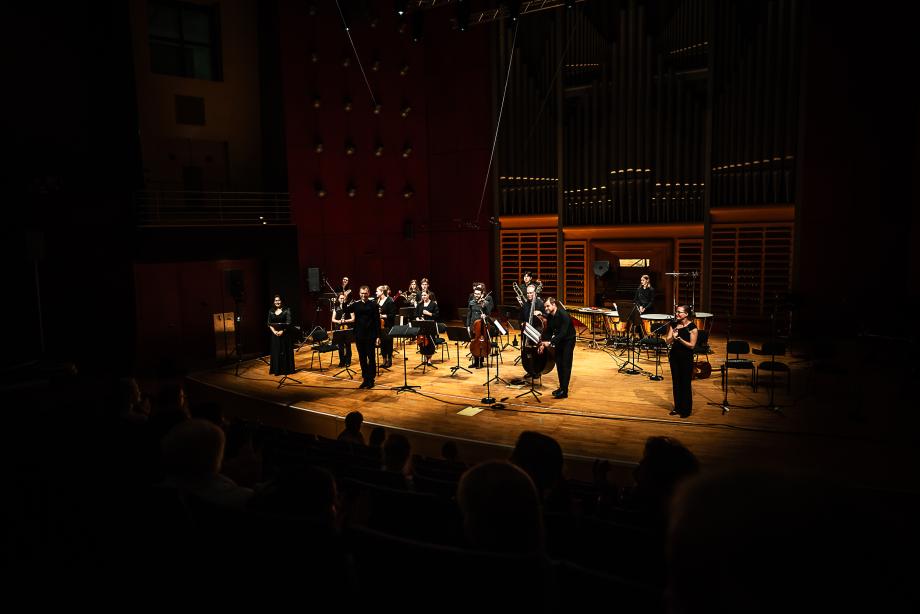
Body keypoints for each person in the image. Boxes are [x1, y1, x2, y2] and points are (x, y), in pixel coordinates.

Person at [537, 297, 575, 398]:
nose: (546, 309)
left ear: (554, 305)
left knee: (566, 364)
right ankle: (561, 387)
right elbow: (548, 331)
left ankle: (564, 391)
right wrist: (543, 343)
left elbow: (563, 333)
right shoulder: (550, 316)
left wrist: (549, 343)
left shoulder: (564, 315)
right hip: (559, 340)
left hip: (568, 340)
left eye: (548, 306)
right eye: (545, 307)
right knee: (559, 362)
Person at [665, 305, 698, 417]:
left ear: (686, 314)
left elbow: (692, 346)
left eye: (679, 312)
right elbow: (668, 341)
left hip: (686, 357)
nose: (677, 314)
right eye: (676, 312)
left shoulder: (692, 328)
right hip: (674, 356)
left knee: (685, 383)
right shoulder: (673, 325)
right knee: (676, 383)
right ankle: (677, 408)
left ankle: (686, 410)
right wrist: (673, 337)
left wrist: (679, 338)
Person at [351, 285, 379, 389]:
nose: (363, 295)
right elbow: (345, 309)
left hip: (370, 335)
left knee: (371, 358)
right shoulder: (356, 305)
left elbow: (377, 321)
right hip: (359, 335)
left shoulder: (373, 305)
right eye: (362, 293)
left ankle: (371, 379)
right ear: (359, 294)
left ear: (368, 293)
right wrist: (344, 299)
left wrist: (378, 336)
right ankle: (365, 379)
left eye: (365, 293)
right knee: (362, 358)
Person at [466, 284, 494, 368]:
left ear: (482, 294)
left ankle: (480, 362)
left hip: (481, 326)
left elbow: (489, 314)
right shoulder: (471, 302)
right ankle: (475, 362)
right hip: (472, 326)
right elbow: (469, 314)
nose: (476, 295)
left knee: (481, 343)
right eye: (475, 294)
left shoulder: (485, 303)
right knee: (474, 343)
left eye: (478, 294)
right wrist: (467, 326)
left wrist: (485, 315)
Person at [267, 294, 295, 375]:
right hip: (275, 334)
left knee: (284, 351)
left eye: (278, 300)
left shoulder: (287, 310)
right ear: (274, 302)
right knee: (276, 352)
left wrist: (282, 331)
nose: (277, 302)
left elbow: (289, 323)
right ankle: (276, 370)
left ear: (281, 301)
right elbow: (269, 323)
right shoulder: (271, 311)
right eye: (276, 300)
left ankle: (286, 370)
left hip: (285, 334)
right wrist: (274, 331)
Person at [415, 290, 439, 366]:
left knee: (430, 343)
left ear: (428, 295)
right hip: (421, 327)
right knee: (422, 343)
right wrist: (417, 318)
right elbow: (415, 314)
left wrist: (429, 313)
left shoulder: (433, 304)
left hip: (430, 326)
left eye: (425, 295)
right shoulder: (420, 305)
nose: (423, 297)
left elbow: (437, 315)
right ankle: (425, 357)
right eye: (422, 295)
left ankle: (429, 359)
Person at [331, 292, 354, 367]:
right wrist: (338, 321)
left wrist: (345, 321)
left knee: (348, 345)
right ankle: (342, 361)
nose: (342, 299)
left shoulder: (349, 306)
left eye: (343, 298)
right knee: (340, 346)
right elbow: (333, 319)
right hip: (339, 328)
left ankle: (348, 361)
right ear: (338, 299)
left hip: (347, 328)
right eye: (340, 298)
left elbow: (353, 319)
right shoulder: (336, 307)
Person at [376, 285, 396, 368]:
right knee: (382, 343)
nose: (376, 293)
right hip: (379, 326)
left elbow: (392, 315)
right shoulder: (377, 301)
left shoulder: (389, 301)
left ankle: (389, 360)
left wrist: (383, 316)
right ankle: (384, 360)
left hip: (387, 326)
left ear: (381, 292)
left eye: (377, 291)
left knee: (388, 343)